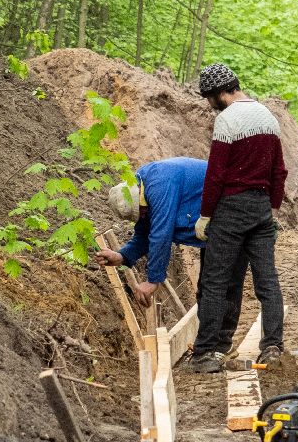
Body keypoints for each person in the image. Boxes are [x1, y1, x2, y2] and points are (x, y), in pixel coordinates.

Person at [188, 62, 286, 373]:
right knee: (267, 282)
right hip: (260, 208)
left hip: (230, 208)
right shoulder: (268, 117)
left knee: (215, 281)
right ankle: (272, 346)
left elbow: (216, 175)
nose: (209, 105)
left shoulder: (227, 121)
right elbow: (279, 171)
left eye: (208, 98)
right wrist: (271, 211)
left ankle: (205, 353)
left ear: (219, 93)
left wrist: (205, 215)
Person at [96, 157, 248, 357]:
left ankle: (217, 347)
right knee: (209, 287)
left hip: (235, 213)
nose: (143, 217)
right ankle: (211, 346)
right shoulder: (142, 187)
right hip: (214, 223)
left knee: (222, 284)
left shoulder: (159, 185)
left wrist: (153, 280)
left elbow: (161, 233)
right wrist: (122, 256)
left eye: (142, 214)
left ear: (141, 203)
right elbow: (145, 233)